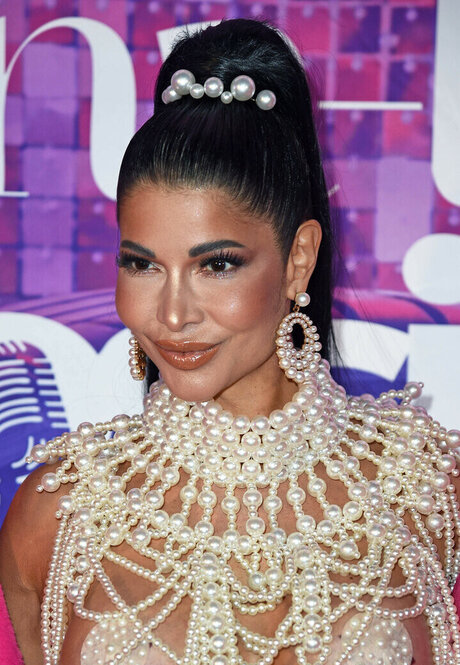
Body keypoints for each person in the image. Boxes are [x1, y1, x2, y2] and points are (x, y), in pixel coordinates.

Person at [1, 17, 460, 665]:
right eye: (142, 264)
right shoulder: (56, 516)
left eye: (216, 264)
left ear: (298, 260)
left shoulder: (429, 490)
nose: (172, 313)